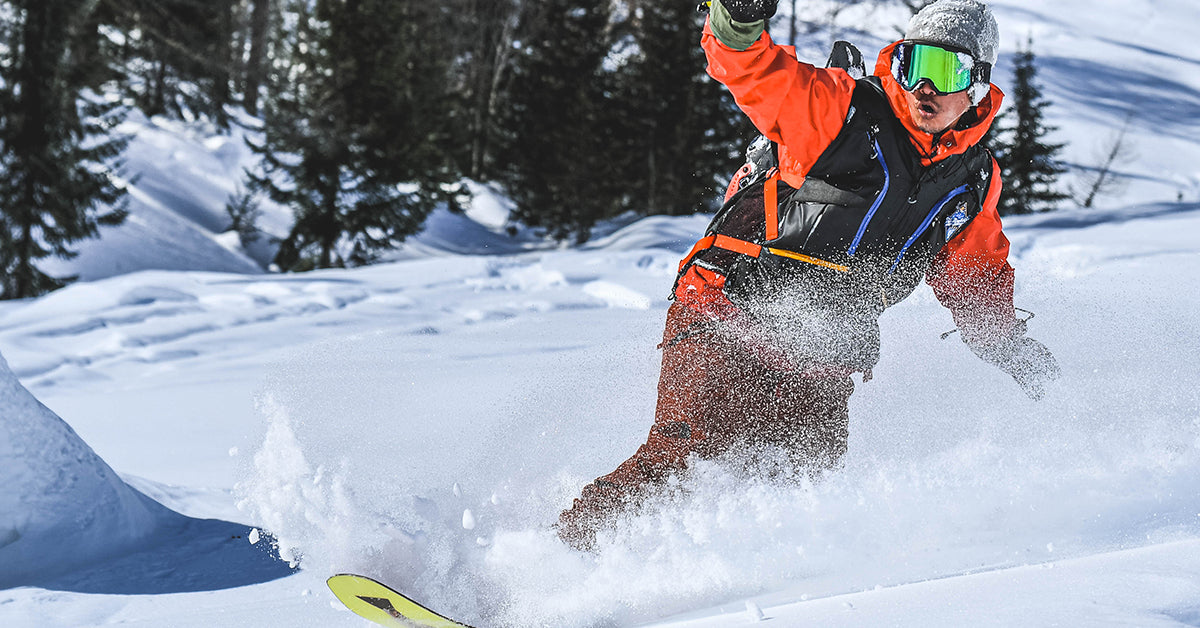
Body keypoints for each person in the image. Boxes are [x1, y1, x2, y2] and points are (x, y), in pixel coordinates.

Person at [557, 0, 1060, 550]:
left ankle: (731, 592)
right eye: (915, 65)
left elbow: (977, 276)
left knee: (799, 488)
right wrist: (740, 20)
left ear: (979, 86)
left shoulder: (971, 180)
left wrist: (1009, 345)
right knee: (684, 457)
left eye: (947, 72)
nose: (925, 87)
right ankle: (555, 562)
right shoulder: (842, 113)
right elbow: (755, 71)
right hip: (729, 311)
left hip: (824, 349)